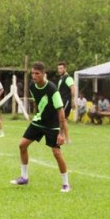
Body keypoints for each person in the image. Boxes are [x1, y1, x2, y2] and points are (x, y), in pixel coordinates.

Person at [11, 61, 70, 193]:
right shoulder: (32, 86)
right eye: (32, 73)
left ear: (44, 74)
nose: (34, 76)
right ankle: (24, 178)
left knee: (56, 152)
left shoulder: (52, 89)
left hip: (52, 124)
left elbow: (61, 111)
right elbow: (40, 104)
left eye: (37, 73)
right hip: (39, 121)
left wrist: (61, 133)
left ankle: (66, 184)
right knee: (22, 145)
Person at [57, 61, 75, 142]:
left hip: (66, 101)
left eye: (61, 68)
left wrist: (73, 101)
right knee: (61, 119)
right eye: (58, 69)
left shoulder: (68, 78)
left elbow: (73, 89)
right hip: (61, 101)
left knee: (63, 119)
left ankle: (67, 139)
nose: (59, 70)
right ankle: (61, 137)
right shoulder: (61, 78)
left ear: (65, 68)